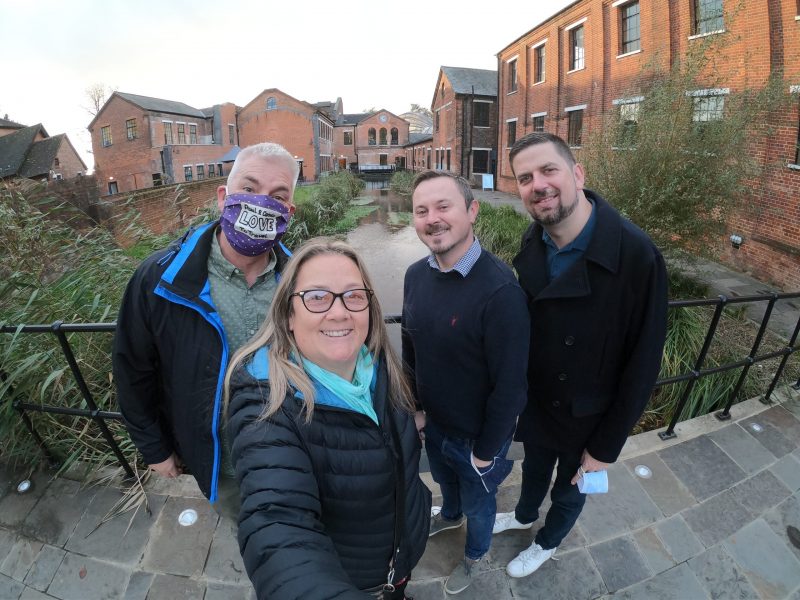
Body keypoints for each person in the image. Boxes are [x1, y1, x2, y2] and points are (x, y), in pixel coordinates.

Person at [493, 132, 668, 578]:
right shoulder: (534, 242)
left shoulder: (636, 254)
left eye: (548, 170)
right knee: (534, 468)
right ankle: (524, 514)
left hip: (590, 415)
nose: (538, 185)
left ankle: (547, 543)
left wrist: (606, 446)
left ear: (577, 174)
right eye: (525, 177)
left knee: (571, 489)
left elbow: (644, 360)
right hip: (540, 405)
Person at [225, 237, 431, 600]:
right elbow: (278, 527)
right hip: (354, 578)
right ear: (289, 314)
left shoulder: (377, 364)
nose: (339, 313)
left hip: (399, 558)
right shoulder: (267, 407)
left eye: (353, 296)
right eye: (317, 297)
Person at [113, 142, 298, 514]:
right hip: (220, 465)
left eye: (277, 196)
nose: (261, 202)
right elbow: (132, 369)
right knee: (243, 528)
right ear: (222, 197)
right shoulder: (159, 277)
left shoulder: (303, 279)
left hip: (293, 454)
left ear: (288, 213)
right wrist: (156, 448)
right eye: (248, 188)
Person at [401, 171, 530, 595]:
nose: (432, 219)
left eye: (443, 207)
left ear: (471, 212)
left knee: (481, 504)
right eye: (422, 211)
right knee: (445, 484)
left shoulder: (500, 291)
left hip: (476, 438)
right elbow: (411, 348)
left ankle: (475, 555)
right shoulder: (415, 276)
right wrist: (417, 408)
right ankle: (449, 514)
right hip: (435, 425)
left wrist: (486, 451)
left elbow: (511, 384)